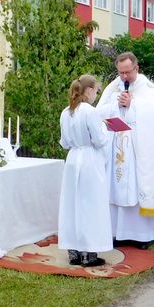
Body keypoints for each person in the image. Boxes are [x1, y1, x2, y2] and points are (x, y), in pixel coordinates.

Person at [96, 52, 154, 248]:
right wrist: (115, 105)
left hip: (140, 151)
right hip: (116, 148)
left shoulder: (149, 91)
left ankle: (142, 235)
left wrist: (132, 105)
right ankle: (117, 232)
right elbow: (98, 114)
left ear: (136, 68)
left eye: (128, 72)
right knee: (115, 189)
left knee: (140, 188)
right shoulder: (112, 88)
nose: (124, 77)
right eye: (120, 72)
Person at [58, 75, 111, 267]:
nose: (96, 95)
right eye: (96, 91)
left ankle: (73, 251)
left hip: (73, 159)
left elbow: (64, 142)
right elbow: (100, 140)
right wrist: (104, 128)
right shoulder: (90, 111)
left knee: (72, 204)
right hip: (89, 160)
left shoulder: (66, 112)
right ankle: (88, 253)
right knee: (90, 204)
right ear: (89, 91)